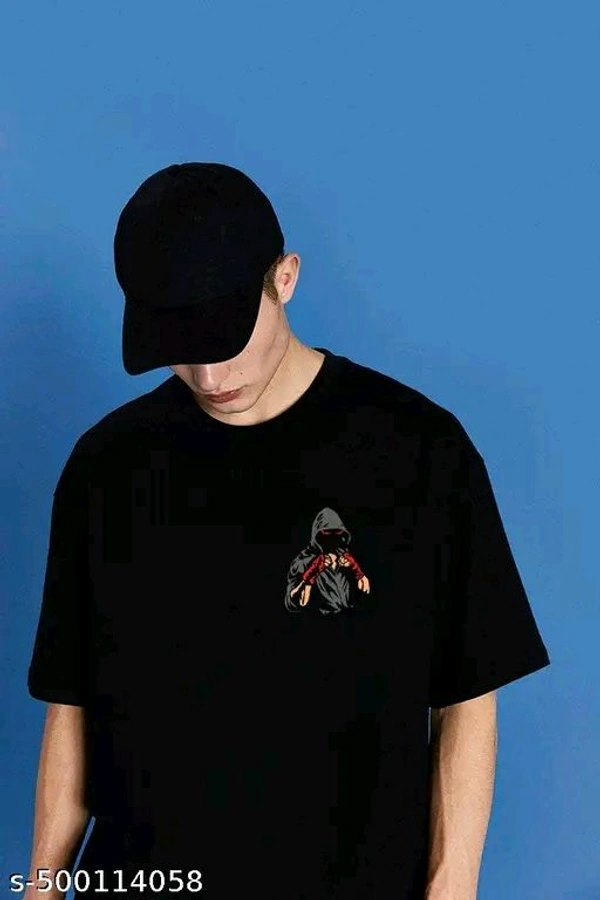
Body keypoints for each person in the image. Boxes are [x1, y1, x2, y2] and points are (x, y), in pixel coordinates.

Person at [25, 162, 551, 900]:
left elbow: (468, 694)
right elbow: (73, 704)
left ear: (285, 278)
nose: (209, 378)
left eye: (225, 338)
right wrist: (41, 887)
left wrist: (452, 885)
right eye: (178, 346)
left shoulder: (418, 453)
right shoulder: (106, 468)